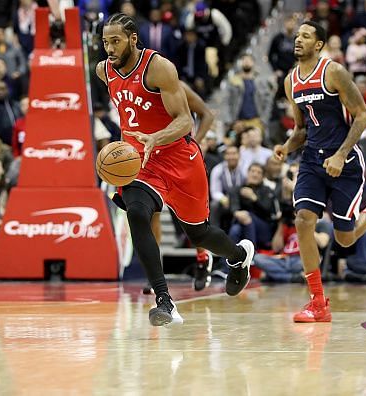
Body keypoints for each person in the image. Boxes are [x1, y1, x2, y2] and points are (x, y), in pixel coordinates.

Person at [97, 13, 253, 327]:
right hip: (140, 161)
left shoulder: (159, 68)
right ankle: (165, 301)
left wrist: (157, 137)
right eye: (105, 42)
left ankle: (238, 258)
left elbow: (186, 120)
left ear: (133, 39)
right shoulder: (104, 71)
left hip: (179, 158)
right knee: (137, 213)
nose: (109, 48)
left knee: (199, 235)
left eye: (115, 41)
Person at [273, 21, 366, 323]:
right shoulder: (291, 81)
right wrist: (287, 147)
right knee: (303, 220)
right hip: (312, 163)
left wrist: (341, 154)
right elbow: (302, 129)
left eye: (306, 36)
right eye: (297, 35)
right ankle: (318, 301)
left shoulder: (334, 72)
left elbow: (363, 115)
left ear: (318, 44)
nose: (298, 40)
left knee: (344, 240)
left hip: (346, 163)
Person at [144, 80, 216, 294]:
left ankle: (203, 259)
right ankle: (155, 274)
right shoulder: (137, 91)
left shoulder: (176, 87)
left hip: (181, 161)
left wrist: (197, 142)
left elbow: (207, 115)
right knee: (151, 215)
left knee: (191, 219)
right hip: (155, 162)